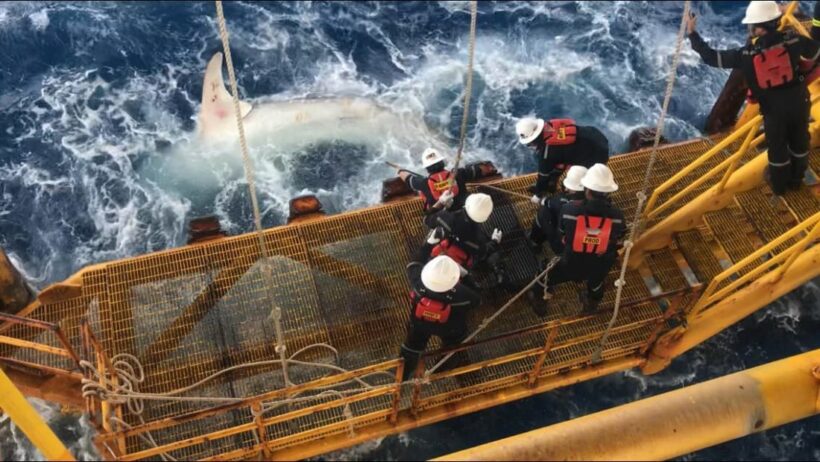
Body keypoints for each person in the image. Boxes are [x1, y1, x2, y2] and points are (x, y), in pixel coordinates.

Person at [686, 1, 819, 197]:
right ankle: (796, 181)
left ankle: (780, 188)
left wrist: (692, 34)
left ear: (757, 27)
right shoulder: (794, 41)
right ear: (776, 20)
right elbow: (815, 51)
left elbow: (711, 57)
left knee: (777, 150)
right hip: (799, 103)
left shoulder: (746, 55)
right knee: (800, 142)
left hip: (774, 112)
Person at [529, 164, 626, 316]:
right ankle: (592, 304)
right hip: (600, 263)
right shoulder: (618, 217)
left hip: (571, 261)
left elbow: (562, 233)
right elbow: (620, 235)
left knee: (544, 276)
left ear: (586, 189)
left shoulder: (570, 211)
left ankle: (539, 299)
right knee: (596, 283)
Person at [399, 251, 481, 380]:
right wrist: (466, 276)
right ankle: (438, 373)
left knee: (412, 348)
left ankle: (401, 376)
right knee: (451, 349)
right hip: (449, 327)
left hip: (420, 324)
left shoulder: (418, 283)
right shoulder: (461, 294)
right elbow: (476, 300)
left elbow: (413, 265)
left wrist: (429, 244)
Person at [515, 117, 609, 201]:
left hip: (595, 157)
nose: (530, 146)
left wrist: (538, 195)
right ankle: (552, 184)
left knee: (571, 187)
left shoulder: (547, 154)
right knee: (558, 161)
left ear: (536, 139)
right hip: (597, 138)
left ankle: (580, 199)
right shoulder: (551, 126)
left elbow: (543, 177)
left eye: (530, 143)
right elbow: (560, 155)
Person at [429, 193, 506, 286]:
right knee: (491, 253)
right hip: (459, 265)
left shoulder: (447, 217)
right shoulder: (477, 238)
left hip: (433, 254)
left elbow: (427, 219)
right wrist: (495, 241)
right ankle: (500, 275)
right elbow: (483, 252)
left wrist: (441, 203)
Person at [398, 147, 483, 216]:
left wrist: (400, 171)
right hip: (466, 214)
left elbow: (408, 179)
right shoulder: (458, 174)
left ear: (427, 168)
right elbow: (478, 170)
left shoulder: (423, 183)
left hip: (443, 219)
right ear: (442, 162)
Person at [529, 165, 588, 256]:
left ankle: (535, 241)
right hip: (587, 247)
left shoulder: (562, 203)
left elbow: (550, 203)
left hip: (565, 248)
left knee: (543, 212)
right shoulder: (596, 202)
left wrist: (542, 200)